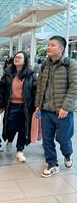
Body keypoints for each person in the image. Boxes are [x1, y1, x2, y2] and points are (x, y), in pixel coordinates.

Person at [35, 35, 77, 178]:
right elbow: (40, 86)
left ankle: (67, 154)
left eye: (52, 45)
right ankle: (52, 164)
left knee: (63, 138)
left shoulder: (70, 64)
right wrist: (38, 105)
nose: (48, 47)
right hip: (46, 110)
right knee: (47, 139)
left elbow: (74, 86)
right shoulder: (44, 65)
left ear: (61, 48)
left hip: (63, 111)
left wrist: (65, 107)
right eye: (48, 44)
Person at [0, 51, 37, 162]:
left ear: (25, 61)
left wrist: (37, 106)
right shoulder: (8, 73)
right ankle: (9, 139)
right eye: (15, 57)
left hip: (25, 107)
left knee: (23, 129)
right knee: (11, 126)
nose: (16, 59)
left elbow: (36, 90)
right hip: (12, 105)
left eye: (19, 57)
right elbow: (0, 89)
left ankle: (20, 150)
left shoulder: (31, 74)